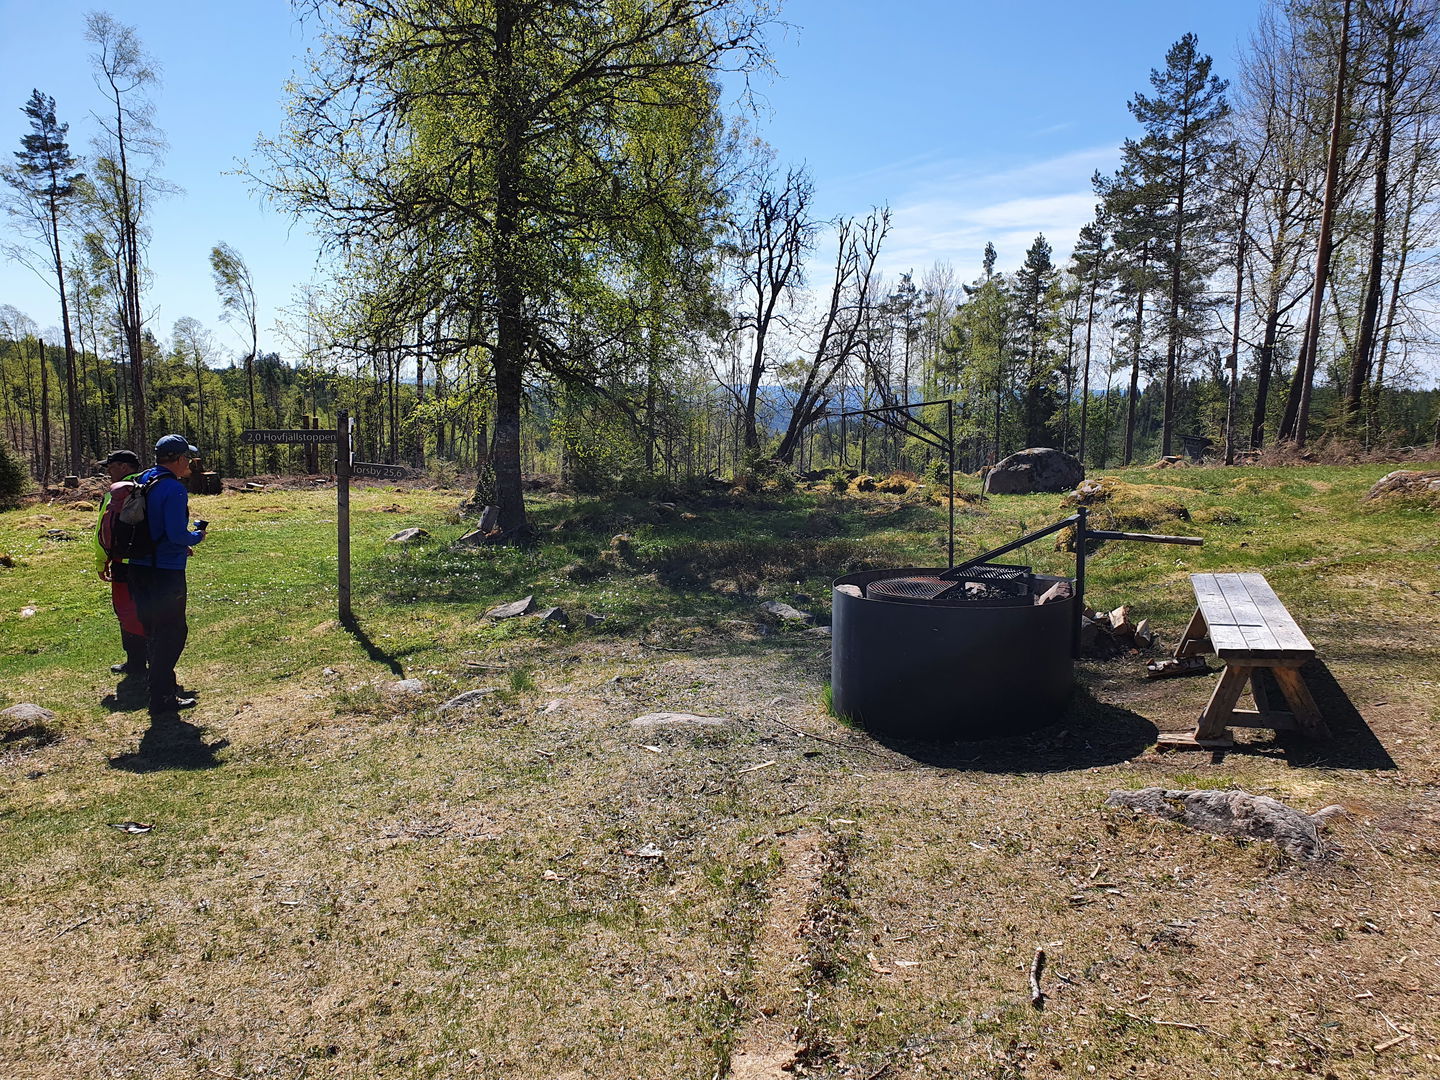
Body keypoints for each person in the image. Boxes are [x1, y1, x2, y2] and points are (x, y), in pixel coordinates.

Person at [126, 434, 208, 716]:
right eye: (189, 457)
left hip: (137, 566)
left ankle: (161, 690)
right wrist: (196, 536)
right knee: (172, 632)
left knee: (153, 630)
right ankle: (161, 697)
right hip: (164, 572)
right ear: (180, 459)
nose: (191, 463)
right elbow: (176, 535)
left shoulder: (146, 478)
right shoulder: (173, 489)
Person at [95, 449, 148, 676]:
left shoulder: (114, 495)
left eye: (112, 466)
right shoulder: (149, 487)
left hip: (122, 561)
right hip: (148, 560)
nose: (108, 471)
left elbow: (103, 532)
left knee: (126, 610)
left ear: (125, 467)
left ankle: (135, 663)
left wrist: (101, 562)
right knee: (146, 608)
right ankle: (151, 659)